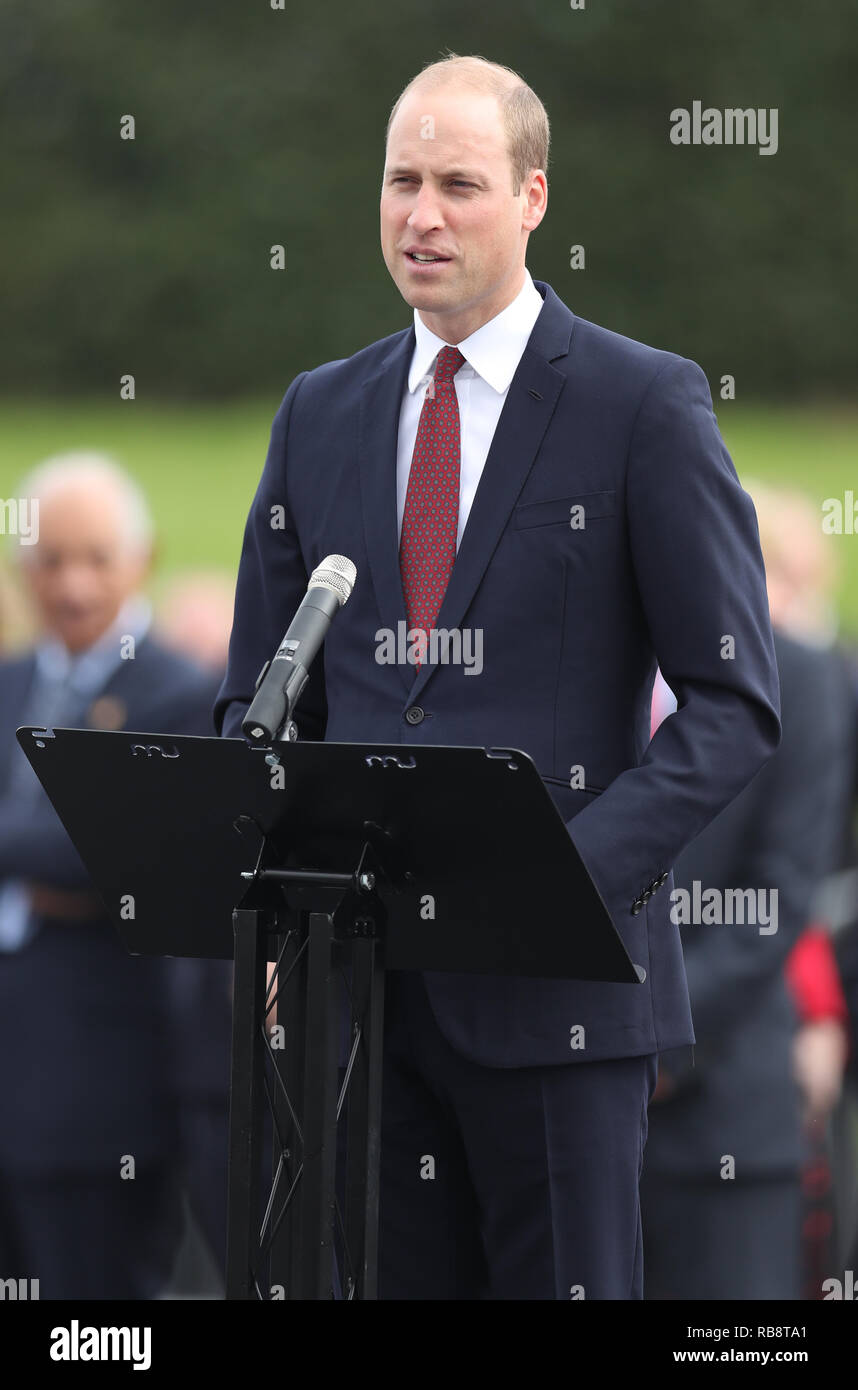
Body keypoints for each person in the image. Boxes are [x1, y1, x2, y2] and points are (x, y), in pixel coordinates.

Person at [214, 53, 781, 1300]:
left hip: (560, 1002)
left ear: (531, 197)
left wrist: (554, 878)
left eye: (458, 185)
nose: (422, 216)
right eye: (401, 182)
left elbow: (737, 707)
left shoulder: (644, 404)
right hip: (360, 1009)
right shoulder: (319, 412)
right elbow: (261, 695)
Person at [0, 451, 218, 1299]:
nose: (73, 585)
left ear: (143, 558)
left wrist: (58, 858)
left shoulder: (183, 695)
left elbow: (112, 854)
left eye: (95, 557)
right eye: (50, 561)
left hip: (104, 1092)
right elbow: (58, 847)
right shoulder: (11, 681)